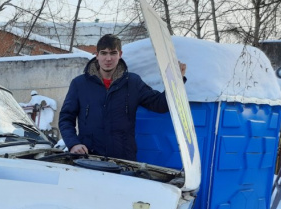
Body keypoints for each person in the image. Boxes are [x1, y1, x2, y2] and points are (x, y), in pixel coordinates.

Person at [58, 34, 186, 161]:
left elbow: (160, 105)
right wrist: (73, 144)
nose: (108, 58)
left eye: (113, 53)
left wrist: (176, 82)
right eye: (104, 53)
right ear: (97, 55)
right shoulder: (80, 84)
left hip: (123, 162)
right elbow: (66, 118)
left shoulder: (133, 82)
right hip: (89, 159)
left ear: (120, 54)